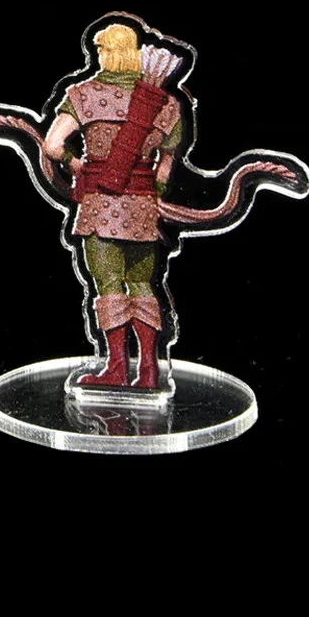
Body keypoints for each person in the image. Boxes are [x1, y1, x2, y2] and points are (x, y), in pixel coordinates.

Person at [42, 22, 182, 388]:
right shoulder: (167, 103)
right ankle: (149, 370)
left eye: (101, 49)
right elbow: (167, 164)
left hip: (99, 209)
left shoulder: (84, 95)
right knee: (143, 283)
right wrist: (154, 191)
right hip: (143, 210)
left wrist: (76, 165)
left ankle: (118, 368)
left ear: (106, 52)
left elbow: (52, 146)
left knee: (108, 285)